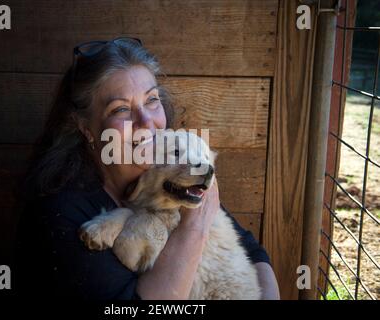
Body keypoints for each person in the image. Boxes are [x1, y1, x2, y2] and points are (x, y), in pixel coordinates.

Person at [15, 37, 280, 300]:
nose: (146, 121)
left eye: (152, 100)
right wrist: (194, 228)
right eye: (120, 109)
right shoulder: (60, 212)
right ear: (86, 128)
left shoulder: (172, 176)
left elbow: (254, 254)